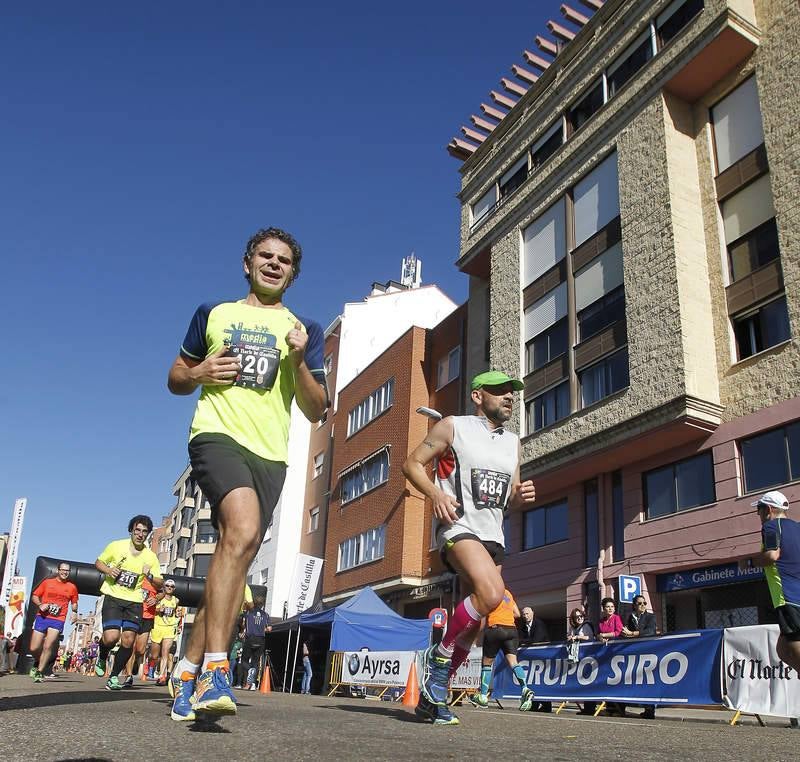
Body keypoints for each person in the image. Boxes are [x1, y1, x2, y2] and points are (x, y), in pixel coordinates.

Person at [166, 227, 327, 721]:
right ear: (247, 263)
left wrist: (299, 360)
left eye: (284, 260)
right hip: (216, 436)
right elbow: (175, 377)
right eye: (265, 256)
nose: (274, 264)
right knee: (241, 528)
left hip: (270, 456)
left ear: (293, 274)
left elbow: (318, 407)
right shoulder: (213, 313)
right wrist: (198, 373)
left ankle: (187, 672)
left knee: (232, 564)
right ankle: (217, 668)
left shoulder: (305, 329)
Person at [403, 370, 537, 726]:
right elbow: (411, 464)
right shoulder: (452, 426)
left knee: (475, 628)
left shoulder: (513, 443)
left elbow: (508, 497)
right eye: (500, 391)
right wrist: (435, 494)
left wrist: (520, 496)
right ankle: (439, 656)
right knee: (492, 594)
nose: (510, 397)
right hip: (458, 528)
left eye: (512, 392)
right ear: (478, 396)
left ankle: (434, 696)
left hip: (493, 536)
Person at [94, 514, 163, 690]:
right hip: (113, 596)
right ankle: (102, 655)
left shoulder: (150, 557)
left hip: (134, 601)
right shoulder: (116, 546)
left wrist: (149, 575)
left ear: (147, 535)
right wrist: (109, 570)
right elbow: (98, 562)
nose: (140, 534)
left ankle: (114, 677)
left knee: (128, 640)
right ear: (131, 530)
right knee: (111, 638)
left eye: (144, 532)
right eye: (137, 530)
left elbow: (160, 582)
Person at [744, 491, 800, 674]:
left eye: (758, 510)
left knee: (791, 648)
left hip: (788, 597)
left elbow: (771, 555)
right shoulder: (797, 528)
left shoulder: (770, 526)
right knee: (782, 650)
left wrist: (750, 562)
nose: (758, 514)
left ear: (768, 509)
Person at [468, 588, 534, 711]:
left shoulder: (489, 590)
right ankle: (525, 688)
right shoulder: (507, 592)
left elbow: (482, 611)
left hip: (495, 628)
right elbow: (517, 614)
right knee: (513, 662)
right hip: (511, 629)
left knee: (487, 663)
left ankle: (482, 696)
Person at [28, 563, 79, 682]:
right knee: (34, 647)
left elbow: (74, 602)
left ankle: (40, 671)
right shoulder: (47, 583)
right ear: (58, 570)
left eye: (67, 570)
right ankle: (37, 661)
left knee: (48, 645)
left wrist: (74, 612)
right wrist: (41, 604)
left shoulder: (72, 587)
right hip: (43, 617)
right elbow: (35, 596)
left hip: (58, 619)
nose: (65, 572)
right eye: (62, 570)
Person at [620, 594, 658, 719]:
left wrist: (633, 633)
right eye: (640, 603)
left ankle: (649, 710)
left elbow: (651, 631)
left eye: (644, 603)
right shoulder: (629, 617)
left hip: (647, 651)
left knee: (647, 680)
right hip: (632, 652)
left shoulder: (650, 616)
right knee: (627, 678)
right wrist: (627, 634)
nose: (643, 606)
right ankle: (621, 707)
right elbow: (623, 631)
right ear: (634, 605)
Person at [517, 606, 551, 713]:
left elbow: (536, 639)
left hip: (543, 657)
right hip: (530, 659)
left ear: (532, 613)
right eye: (524, 614)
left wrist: (523, 642)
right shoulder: (522, 627)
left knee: (542, 681)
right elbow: (519, 639)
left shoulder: (539, 624)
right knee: (532, 682)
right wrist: (524, 641)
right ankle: (534, 704)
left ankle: (546, 705)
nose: (526, 616)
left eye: (527, 614)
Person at [241, 597, 271, 690]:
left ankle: (249, 676)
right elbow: (269, 629)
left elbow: (243, 624)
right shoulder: (266, 615)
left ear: (254, 603)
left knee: (244, 660)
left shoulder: (249, 613)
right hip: (261, 640)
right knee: (256, 662)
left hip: (250, 638)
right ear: (262, 605)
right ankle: (253, 684)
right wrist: (262, 629)